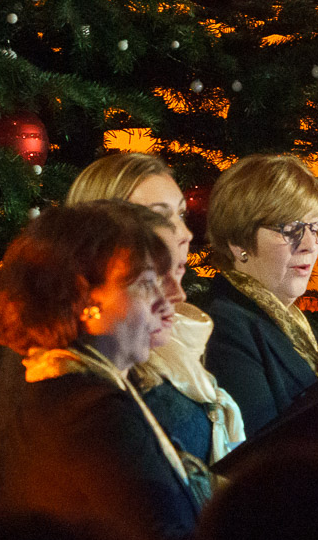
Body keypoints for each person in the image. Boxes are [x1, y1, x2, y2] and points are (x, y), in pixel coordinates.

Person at [0, 201, 205, 540]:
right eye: (146, 284)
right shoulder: (91, 413)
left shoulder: (72, 392)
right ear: (82, 299)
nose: (167, 300)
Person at [66, 152, 245, 461]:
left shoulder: (180, 336)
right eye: (160, 217)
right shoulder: (105, 362)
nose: (185, 234)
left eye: (181, 215)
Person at [202, 153, 318, 433]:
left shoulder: (289, 320)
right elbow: (262, 447)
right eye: (291, 229)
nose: (310, 244)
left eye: (316, 229)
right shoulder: (224, 326)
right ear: (238, 242)